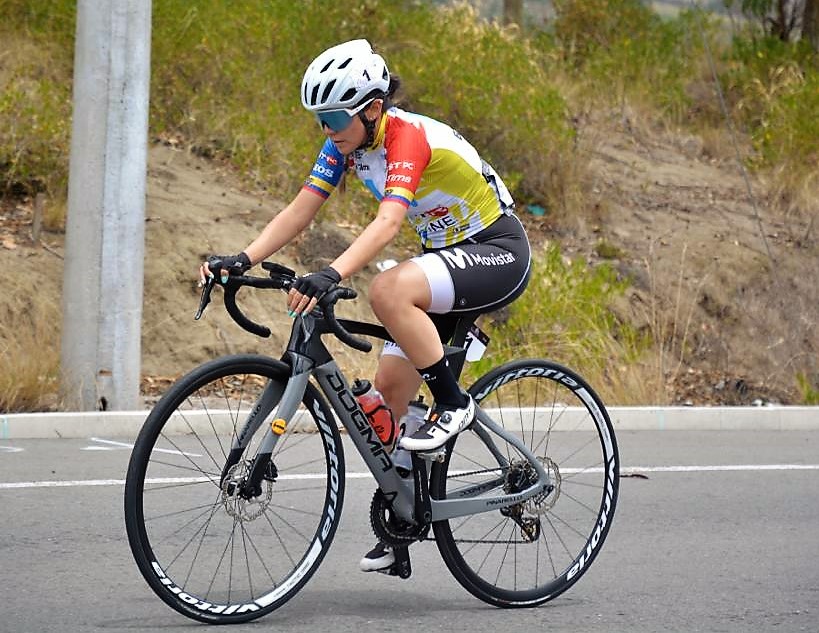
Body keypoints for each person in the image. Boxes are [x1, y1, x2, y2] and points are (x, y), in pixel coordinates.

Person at [200, 39, 531, 573]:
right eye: (319, 119)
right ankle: (403, 525)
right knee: (387, 405)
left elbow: (388, 224)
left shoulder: (406, 138)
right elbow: (301, 208)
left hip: (496, 251)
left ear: (372, 108)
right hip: (446, 260)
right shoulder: (346, 144)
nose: (326, 129)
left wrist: (332, 273)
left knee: (386, 290)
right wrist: (244, 256)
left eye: (333, 116)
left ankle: (453, 404)